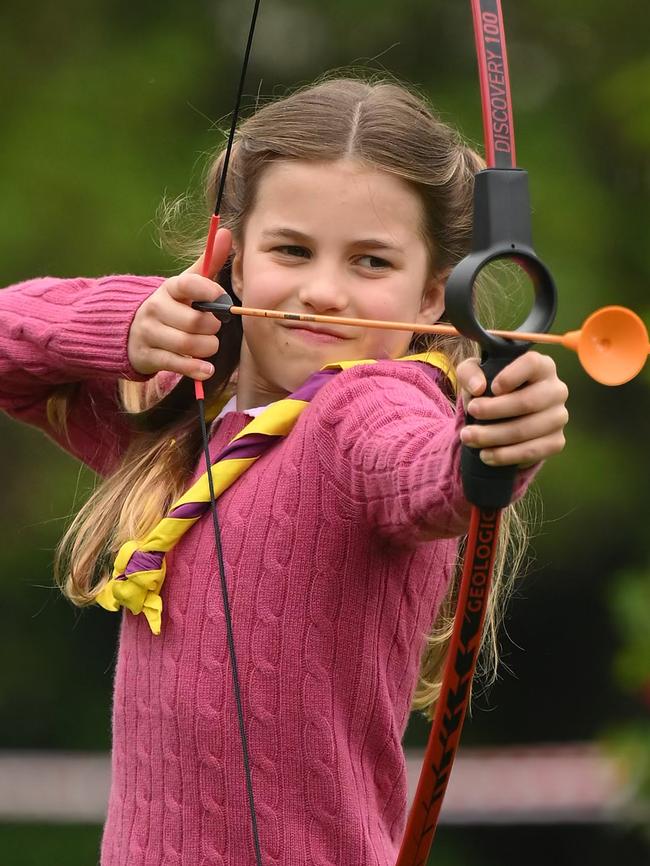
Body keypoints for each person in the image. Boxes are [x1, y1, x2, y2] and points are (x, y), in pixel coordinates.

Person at [0, 77, 568, 865]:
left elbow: (426, 474)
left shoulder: (365, 410)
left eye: (371, 262)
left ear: (435, 293)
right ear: (232, 259)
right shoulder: (180, 426)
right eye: (291, 249)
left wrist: (498, 439)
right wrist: (132, 323)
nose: (322, 291)